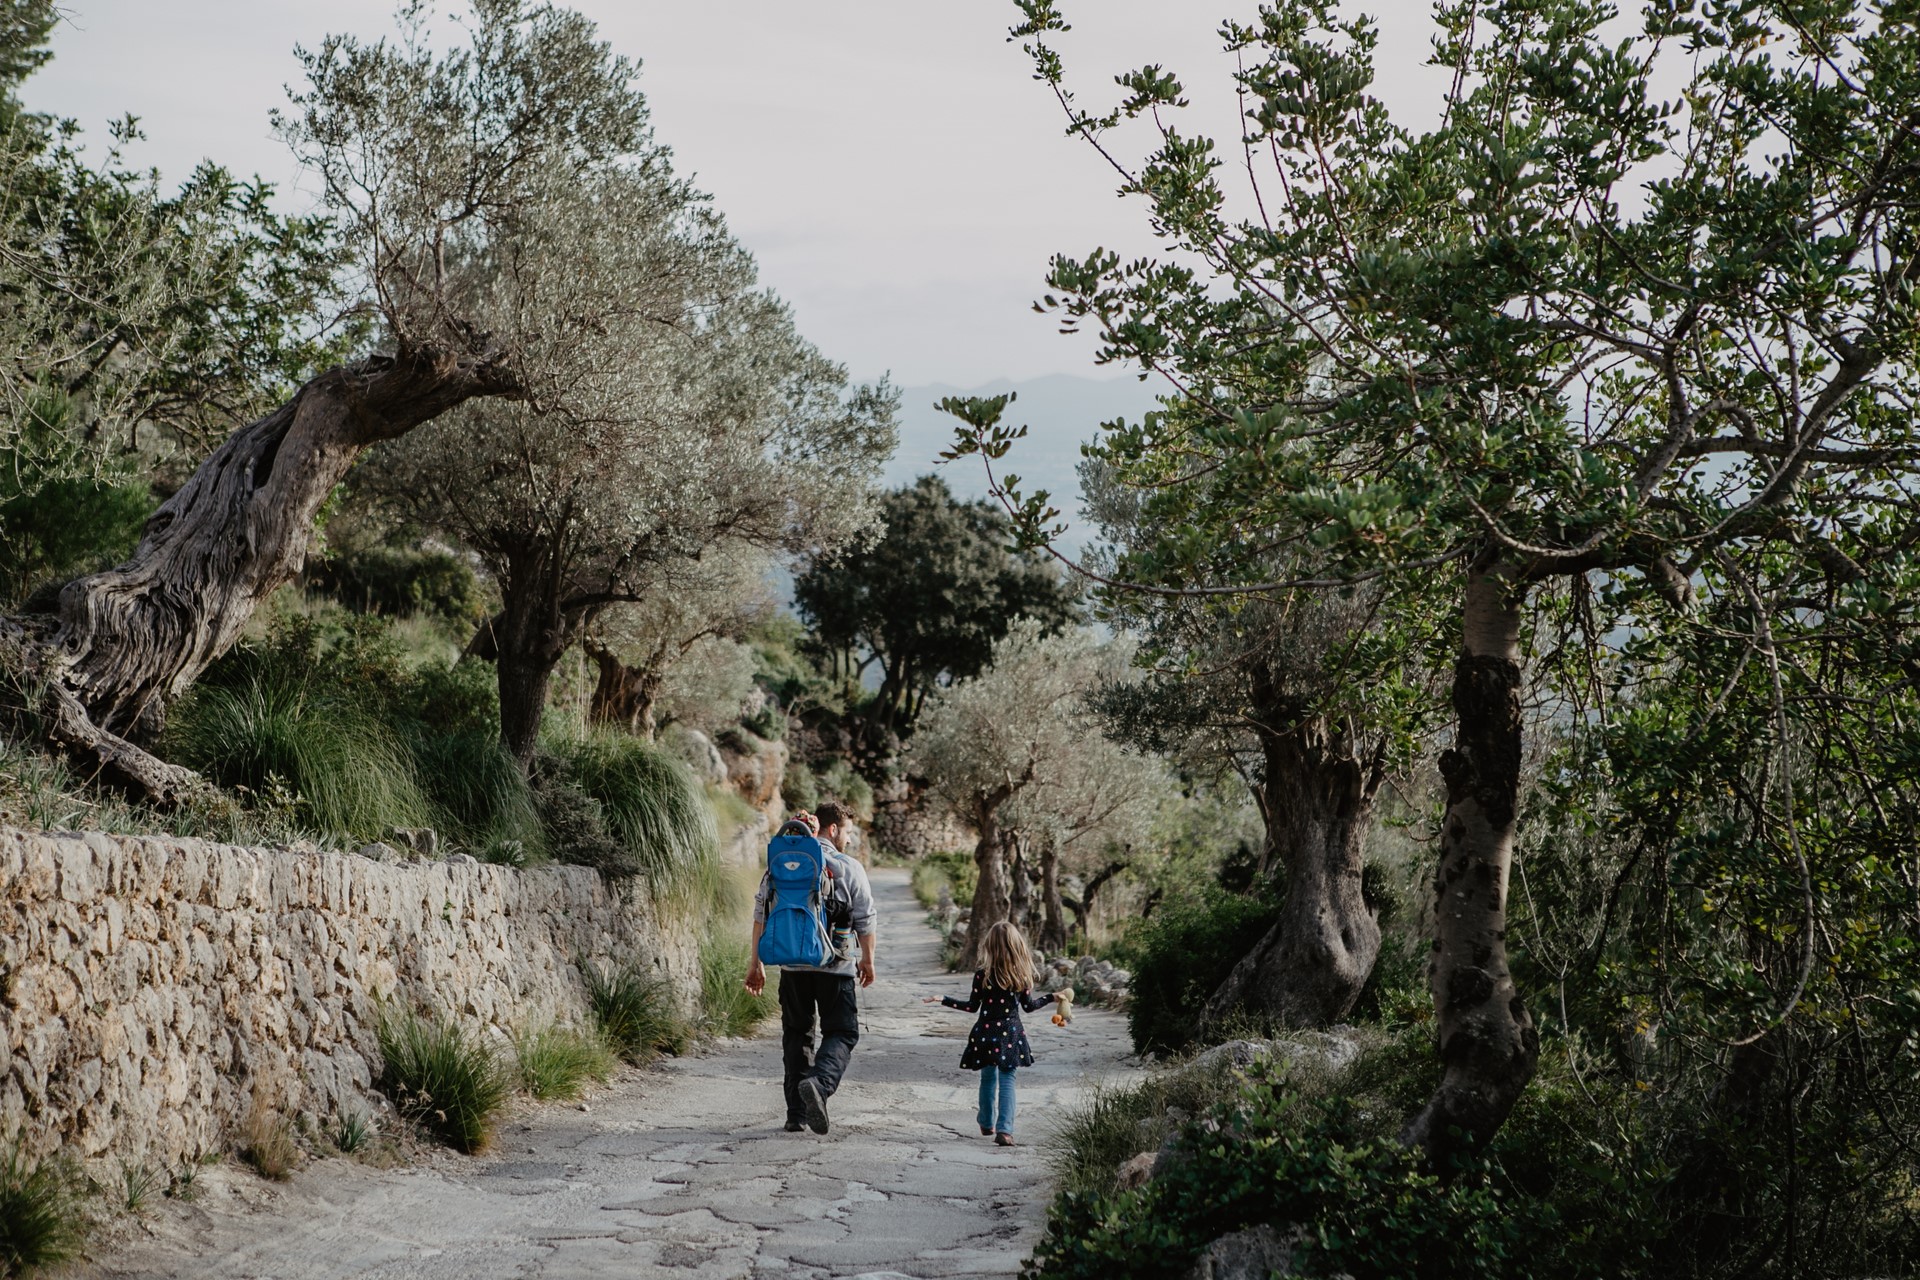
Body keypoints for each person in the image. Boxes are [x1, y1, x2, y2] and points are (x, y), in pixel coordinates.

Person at [745, 800, 876, 1135]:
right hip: (835, 966)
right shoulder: (848, 866)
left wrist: (755, 963)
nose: (849, 839)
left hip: (791, 965)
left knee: (796, 1036)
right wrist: (868, 959)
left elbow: (761, 912)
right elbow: (865, 919)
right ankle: (819, 1084)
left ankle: (796, 1115)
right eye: (847, 831)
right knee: (842, 1032)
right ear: (833, 829)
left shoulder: (779, 863)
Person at [922, 920, 1065, 1147]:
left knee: (987, 1078)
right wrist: (1051, 997)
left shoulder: (982, 975)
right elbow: (1029, 1007)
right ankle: (1005, 1130)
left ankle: (986, 1121)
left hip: (985, 1034)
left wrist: (944, 1000)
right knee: (1008, 1079)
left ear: (989, 946)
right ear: (1017, 946)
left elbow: (971, 1007)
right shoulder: (1022, 975)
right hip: (1010, 1034)